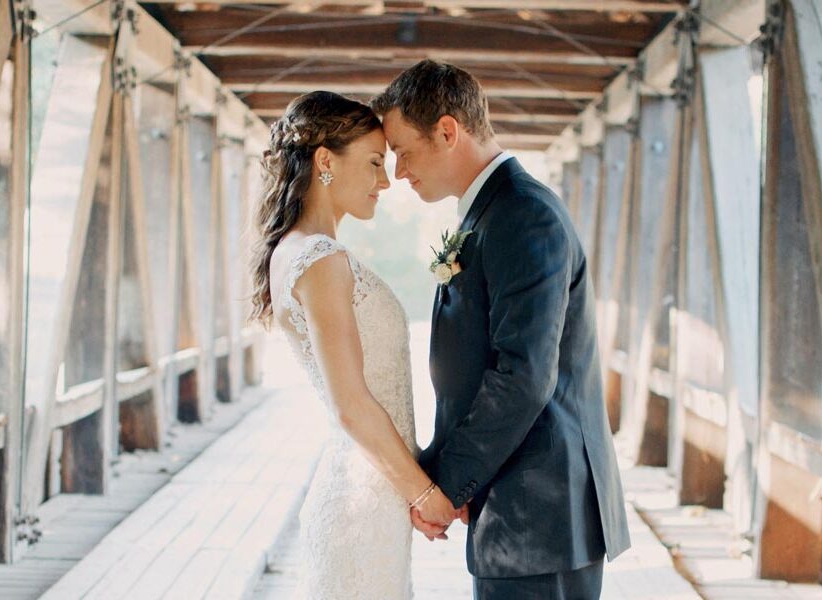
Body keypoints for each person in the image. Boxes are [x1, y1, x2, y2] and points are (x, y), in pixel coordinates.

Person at [371, 60, 631, 599]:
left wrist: (447, 482)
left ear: (448, 131)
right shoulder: (490, 212)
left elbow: (522, 374)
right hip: (519, 509)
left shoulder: (522, 214)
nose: (398, 172)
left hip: (541, 512)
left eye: (403, 151)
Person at [249, 91, 458, 599]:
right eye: (372, 163)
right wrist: (424, 493)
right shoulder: (318, 258)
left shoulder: (300, 251)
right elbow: (351, 404)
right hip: (362, 505)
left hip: (368, 495)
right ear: (325, 161)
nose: (385, 181)